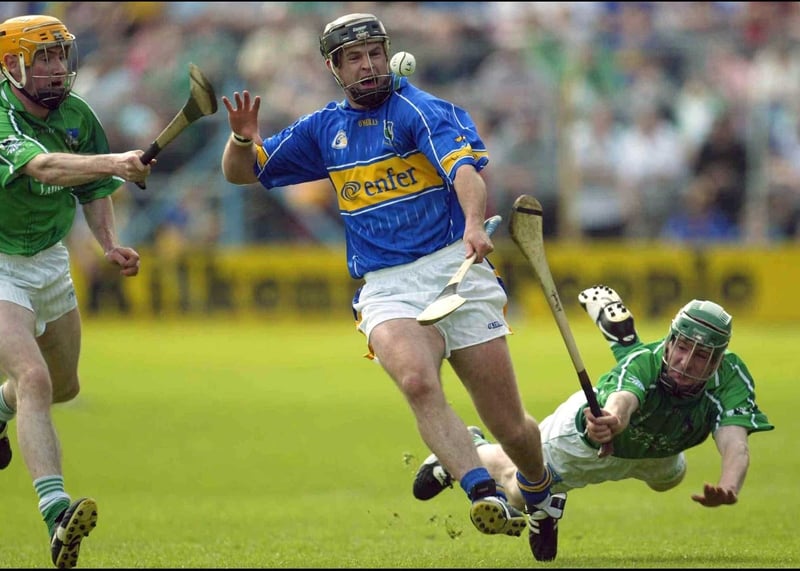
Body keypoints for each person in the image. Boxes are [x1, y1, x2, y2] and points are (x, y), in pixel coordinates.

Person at [220, 11, 562, 546]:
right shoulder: (323, 129)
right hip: (386, 285)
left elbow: (465, 174)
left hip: (457, 267)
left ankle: (541, 492)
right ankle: (482, 492)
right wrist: (242, 140)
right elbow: (243, 174)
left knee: (512, 428)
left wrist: (474, 225)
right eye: (355, 58)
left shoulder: (419, 111)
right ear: (335, 68)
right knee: (417, 381)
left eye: (375, 53)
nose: (369, 64)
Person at [412, 284, 774, 562]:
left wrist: (729, 485)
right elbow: (623, 400)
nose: (686, 362)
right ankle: (468, 451)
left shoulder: (731, 378)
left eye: (702, 356)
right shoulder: (643, 363)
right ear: (670, 339)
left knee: (670, 477)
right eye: (681, 347)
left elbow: (735, 441)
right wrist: (613, 420)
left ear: (718, 360)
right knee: (522, 492)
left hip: (657, 451)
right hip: (588, 442)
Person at [0, 14, 150, 569]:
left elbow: (92, 187)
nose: (56, 68)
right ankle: (56, 513)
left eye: (60, 55)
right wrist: (116, 161)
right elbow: (47, 166)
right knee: (32, 377)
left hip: (48, 259)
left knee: (62, 386)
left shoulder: (77, 115)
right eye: (42, 58)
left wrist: (109, 242)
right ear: (13, 64)